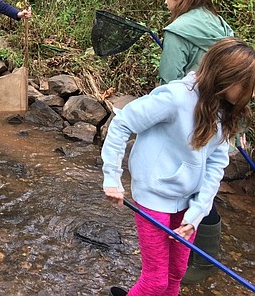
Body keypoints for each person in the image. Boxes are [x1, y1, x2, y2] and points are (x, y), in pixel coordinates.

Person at [102, 37, 255, 296]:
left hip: (187, 204)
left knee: (176, 275)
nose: (252, 94)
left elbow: (217, 165)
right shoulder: (175, 97)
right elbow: (122, 123)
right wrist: (112, 177)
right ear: (227, 78)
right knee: (155, 282)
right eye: (248, 86)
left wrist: (196, 215)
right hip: (153, 199)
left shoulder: (225, 110)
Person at [158, 0, 233, 283]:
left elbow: (167, 83)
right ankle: (202, 258)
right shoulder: (220, 24)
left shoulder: (178, 30)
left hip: (193, 121)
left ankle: (194, 262)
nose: (165, 1)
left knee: (186, 185)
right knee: (205, 184)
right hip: (222, 116)